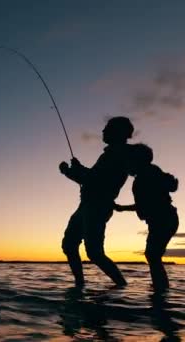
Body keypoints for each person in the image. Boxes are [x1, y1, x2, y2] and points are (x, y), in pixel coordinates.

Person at [59, 116, 134, 288]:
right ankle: (80, 285)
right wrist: (77, 169)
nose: (103, 131)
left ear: (118, 131)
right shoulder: (110, 154)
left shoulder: (117, 154)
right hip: (86, 206)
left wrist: (68, 171)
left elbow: (94, 180)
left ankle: (121, 285)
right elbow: (93, 177)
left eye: (107, 127)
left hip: (97, 207)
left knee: (94, 252)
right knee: (70, 245)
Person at [115, 143, 179, 292]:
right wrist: (122, 208)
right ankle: (160, 290)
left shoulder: (145, 177)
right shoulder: (152, 172)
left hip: (163, 220)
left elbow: (146, 204)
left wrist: (122, 208)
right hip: (165, 219)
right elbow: (149, 202)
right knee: (153, 256)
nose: (126, 164)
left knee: (152, 256)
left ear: (136, 160)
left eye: (128, 160)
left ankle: (161, 290)